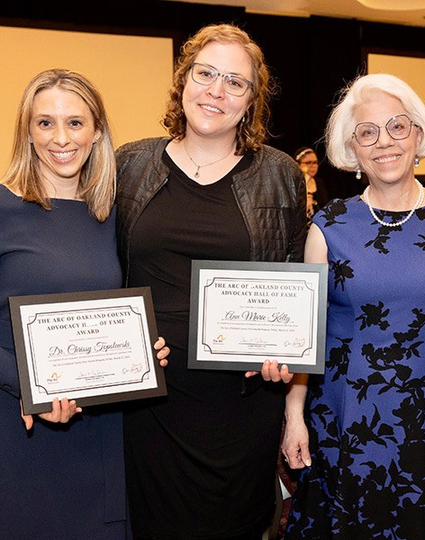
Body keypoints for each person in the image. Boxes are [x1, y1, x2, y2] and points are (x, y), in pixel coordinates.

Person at [0, 69, 168, 539]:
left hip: (98, 427)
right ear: (27, 131)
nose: (61, 139)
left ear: (97, 131)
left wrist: (141, 353)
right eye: (45, 123)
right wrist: (29, 384)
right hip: (19, 422)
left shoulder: (109, 211)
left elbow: (107, 308)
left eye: (75, 123)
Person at [115, 24, 306, 539]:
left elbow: (296, 287)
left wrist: (292, 397)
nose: (216, 91)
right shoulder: (129, 163)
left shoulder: (280, 173)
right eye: (205, 74)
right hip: (150, 404)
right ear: (183, 81)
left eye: (235, 82)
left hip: (242, 409)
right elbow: (100, 270)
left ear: (251, 100)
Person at [282, 73, 425, 538]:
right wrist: (294, 417)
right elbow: (306, 336)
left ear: (418, 134)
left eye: (396, 126)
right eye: (367, 132)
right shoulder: (328, 225)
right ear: (351, 148)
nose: (384, 142)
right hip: (344, 419)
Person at [294, 146, 328, 218]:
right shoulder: (294, 183)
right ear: (298, 164)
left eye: (315, 162)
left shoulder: (319, 183)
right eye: (308, 163)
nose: (313, 166)